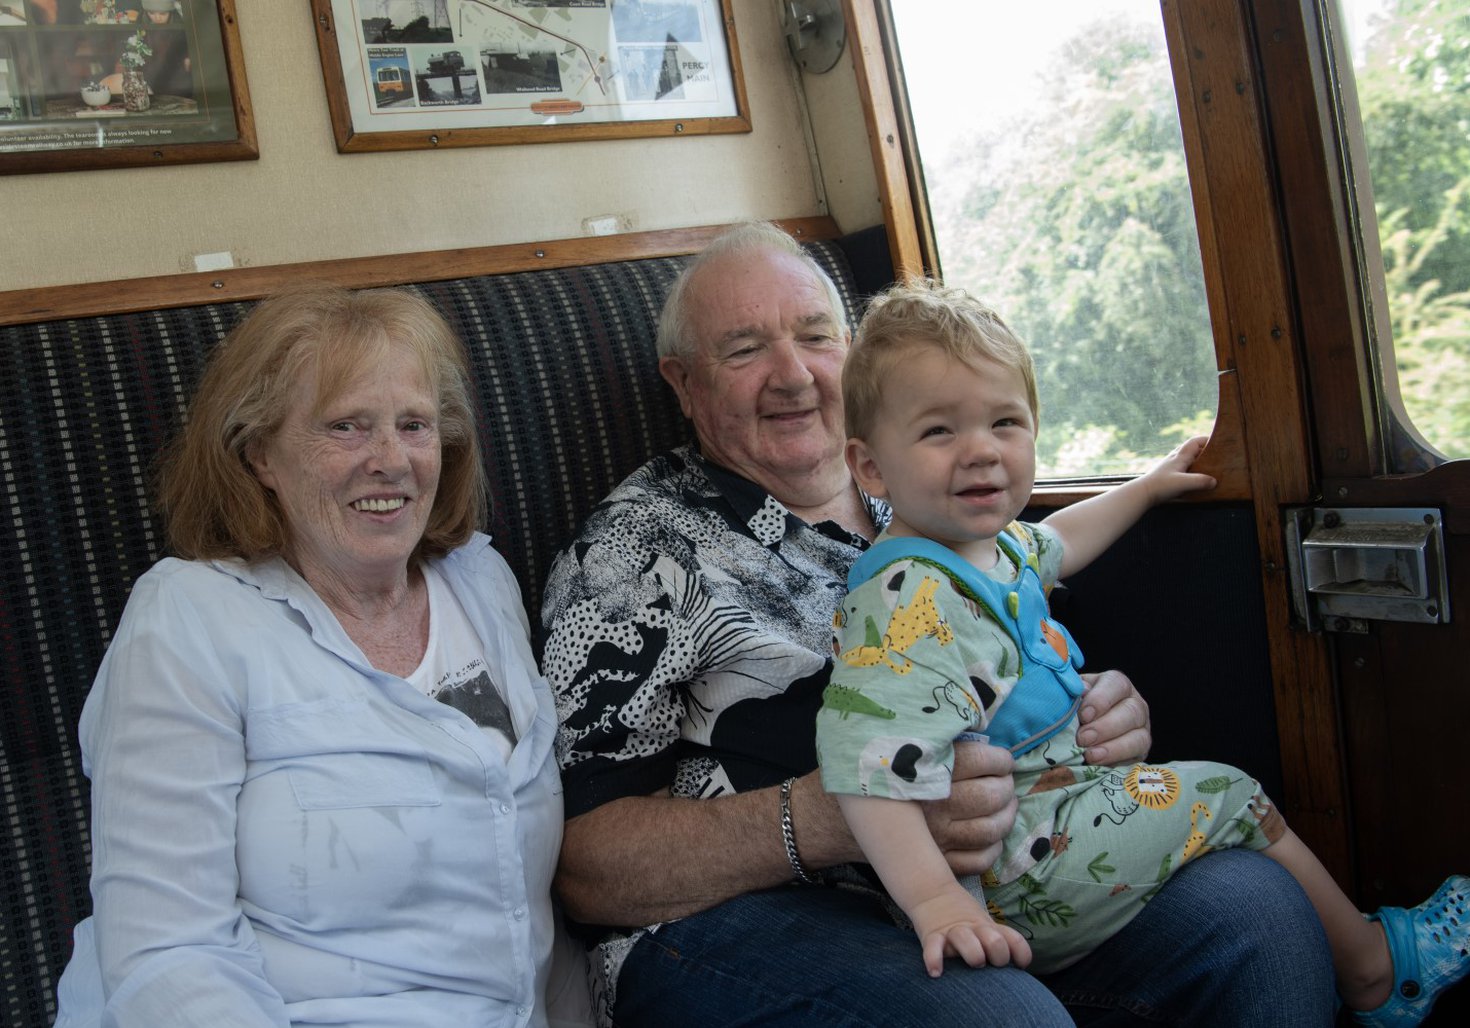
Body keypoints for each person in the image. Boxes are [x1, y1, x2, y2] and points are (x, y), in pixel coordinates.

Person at [539, 220, 1337, 1026]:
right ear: (684, 383)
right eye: (744, 351)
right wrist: (823, 818)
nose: (793, 375)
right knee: (996, 1018)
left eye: (815, 336)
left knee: (1254, 907)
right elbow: (584, 864)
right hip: (735, 919)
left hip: (1014, 862)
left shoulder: (928, 483)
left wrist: (1083, 711)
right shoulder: (635, 551)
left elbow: (1015, 632)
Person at [817, 278, 1470, 1025]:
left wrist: (1148, 486)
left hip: (1056, 823)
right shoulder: (907, 596)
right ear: (870, 468)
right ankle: (1376, 971)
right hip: (1016, 870)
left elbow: (1063, 540)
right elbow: (867, 763)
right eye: (939, 432)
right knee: (1230, 794)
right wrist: (936, 902)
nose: (981, 452)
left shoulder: (989, 548)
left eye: (1005, 421)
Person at [54, 285, 588, 1026]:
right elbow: (167, 956)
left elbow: (527, 914)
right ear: (260, 452)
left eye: (415, 425)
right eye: (346, 426)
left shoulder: (480, 581)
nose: (391, 460)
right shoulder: (188, 620)